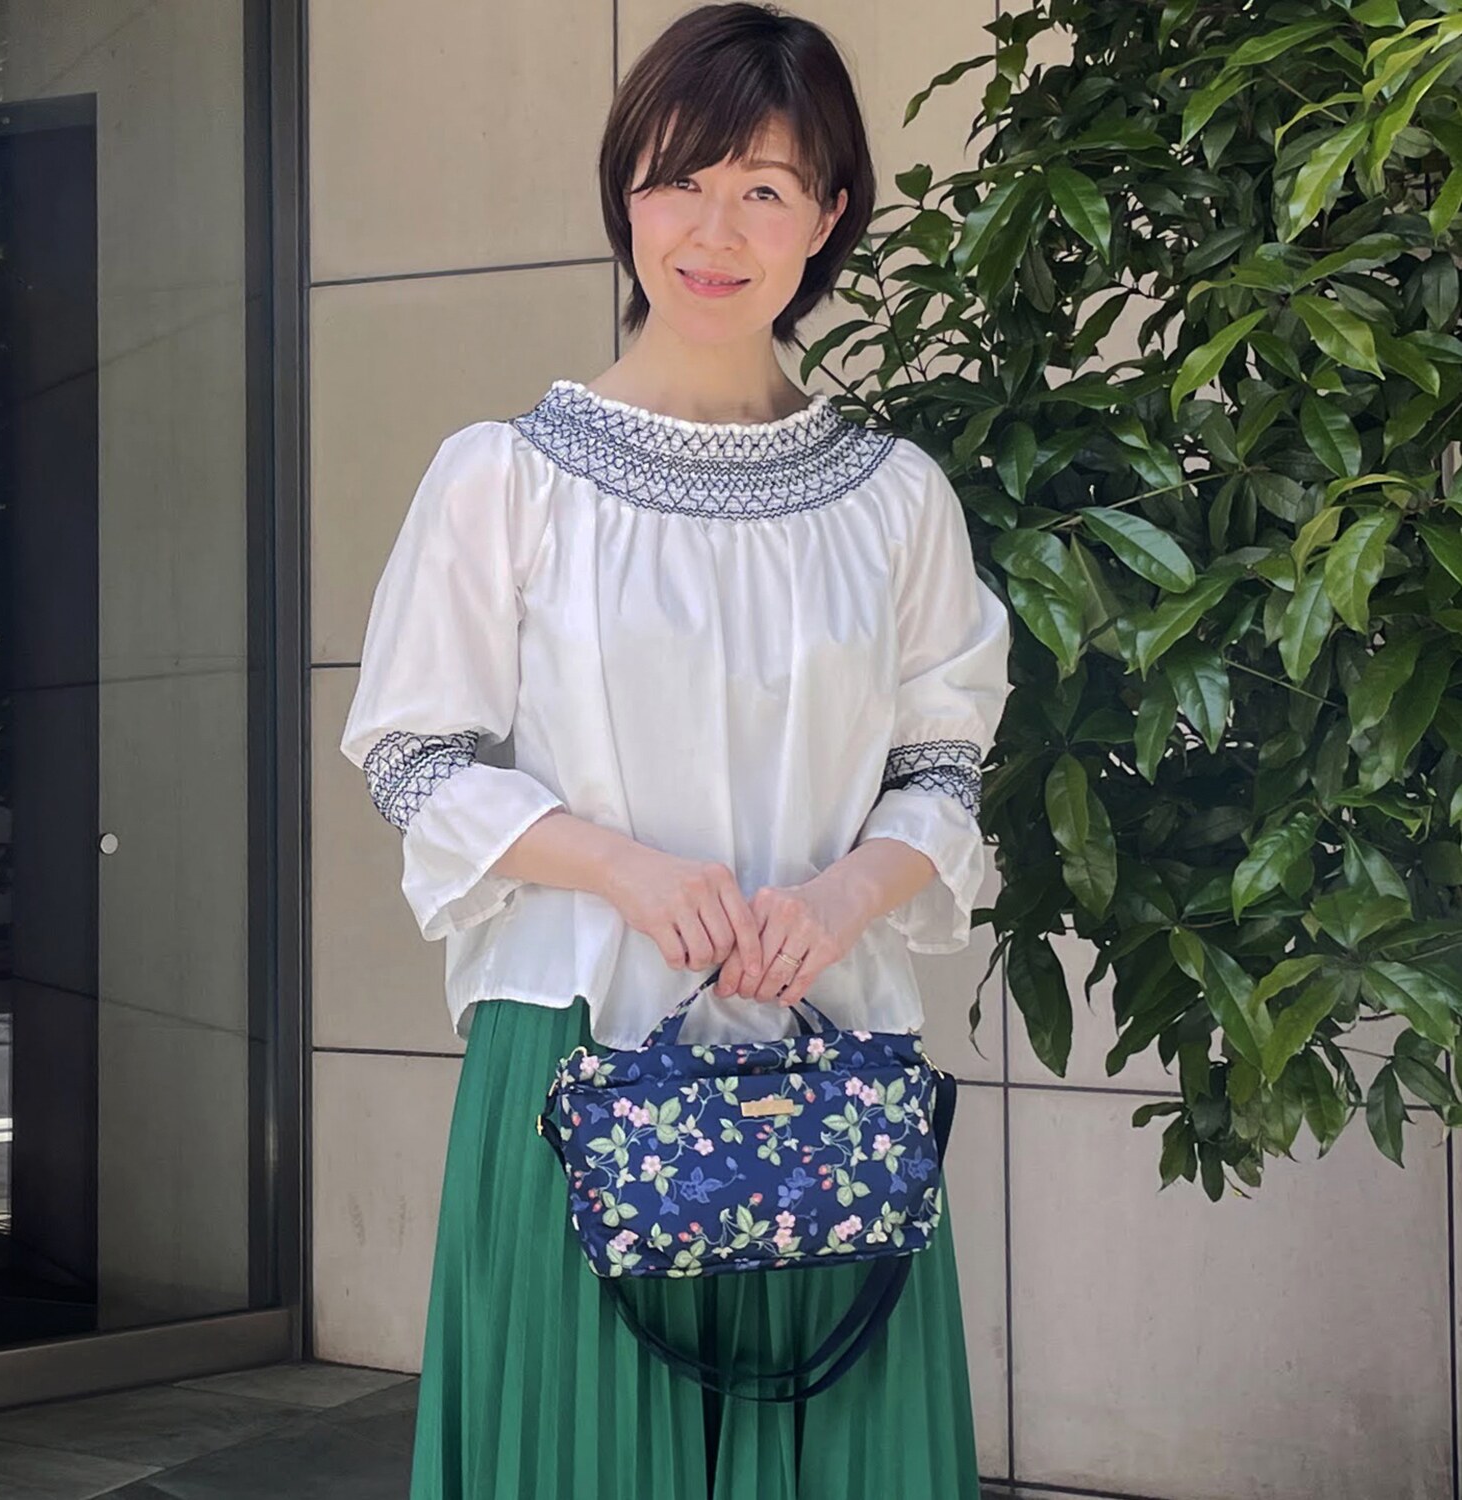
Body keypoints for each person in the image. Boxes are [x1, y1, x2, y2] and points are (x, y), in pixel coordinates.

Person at [338, 5, 1013, 1496]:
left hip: (827, 1060)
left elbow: (944, 767)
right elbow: (413, 754)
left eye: (763, 188)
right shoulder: (505, 479)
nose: (714, 230)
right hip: (578, 1049)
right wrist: (625, 872)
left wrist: (839, 900)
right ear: (624, 196)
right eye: (677, 180)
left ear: (827, 217)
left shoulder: (895, 499)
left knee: (835, 1452)